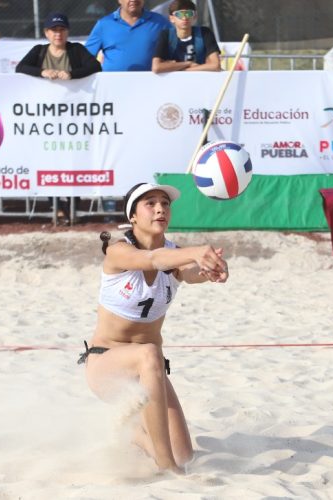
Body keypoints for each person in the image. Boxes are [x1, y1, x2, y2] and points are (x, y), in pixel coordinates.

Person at [80, 182, 228, 473]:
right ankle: (164, 464)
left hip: (150, 371)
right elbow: (151, 259)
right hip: (107, 366)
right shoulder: (118, 250)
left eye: (165, 203)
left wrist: (215, 270)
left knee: (185, 452)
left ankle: (137, 435)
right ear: (132, 216)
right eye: (151, 203)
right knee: (148, 352)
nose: (161, 208)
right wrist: (196, 251)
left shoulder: (175, 255)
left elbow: (190, 272)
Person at [85, 0, 170, 72]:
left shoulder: (161, 22)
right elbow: (85, 57)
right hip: (112, 86)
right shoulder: (104, 24)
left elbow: (175, 52)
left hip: (150, 85)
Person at [16, 13, 103, 80]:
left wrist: (71, 74)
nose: (58, 34)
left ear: (67, 32)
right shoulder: (38, 50)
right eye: (54, 30)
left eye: (62, 30)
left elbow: (95, 66)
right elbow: (20, 67)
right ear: (46, 33)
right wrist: (42, 72)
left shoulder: (76, 49)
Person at [151, 0, 221, 73]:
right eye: (179, 14)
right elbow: (156, 68)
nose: (184, 18)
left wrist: (182, 69)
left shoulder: (205, 33)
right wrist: (188, 63)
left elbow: (215, 65)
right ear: (171, 18)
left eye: (189, 14)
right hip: (173, 82)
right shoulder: (166, 35)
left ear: (195, 17)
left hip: (200, 80)